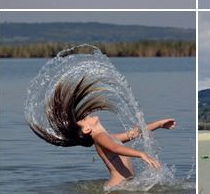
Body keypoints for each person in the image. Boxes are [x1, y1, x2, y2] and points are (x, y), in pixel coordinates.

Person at [27, 76, 176, 187]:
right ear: (87, 129)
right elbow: (116, 148)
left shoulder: (108, 136)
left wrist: (159, 123)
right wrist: (141, 154)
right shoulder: (100, 138)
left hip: (122, 187)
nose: (87, 115)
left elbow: (135, 133)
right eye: (85, 119)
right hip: (117, 189)